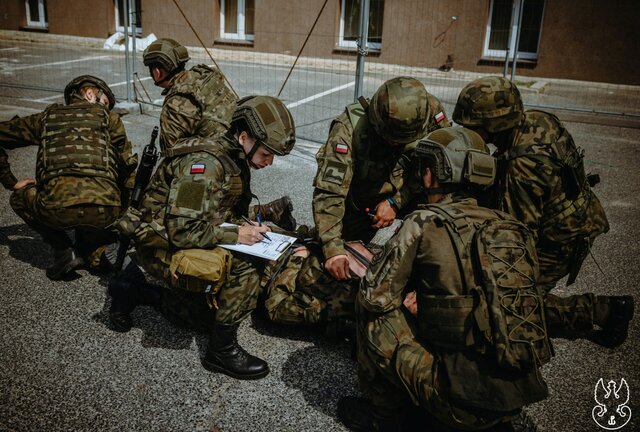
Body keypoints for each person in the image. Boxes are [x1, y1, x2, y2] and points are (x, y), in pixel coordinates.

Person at [338, 127, 634, 432]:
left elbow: (376, 296)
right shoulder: (508, 224)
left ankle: (383, 419)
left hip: (457, 403)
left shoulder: (423, 222)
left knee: (373, 313)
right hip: (512, 401)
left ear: (431, 174)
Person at [109, 95, 296, 380]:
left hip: (180, 232)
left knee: (199, 318)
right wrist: (236, 234)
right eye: (266, 154)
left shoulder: (232, 153)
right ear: (245, 137)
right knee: (247, 265)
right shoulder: (204, 167)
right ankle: (221, 352)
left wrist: (248, 226)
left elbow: (220, 208)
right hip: (159, 242)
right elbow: (182, 231)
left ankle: (133, 289)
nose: (269, 162)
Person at [452, 75, 633, 347]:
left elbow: (516, 237)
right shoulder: (537, 120)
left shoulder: (522, 166)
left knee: (506, 306)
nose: (471, 132)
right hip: (577, 216)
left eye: (475, 127)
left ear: (495, 124)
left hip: (562, 239)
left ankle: (605, 311)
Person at [262, 76, 450, 331]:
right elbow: (329, 194)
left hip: (414, 191)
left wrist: (397, 202)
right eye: (392, 141)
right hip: (363, 201)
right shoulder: (348, 130)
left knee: (442, 217)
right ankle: (279, 238)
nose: (397, 146)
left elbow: (441, 170)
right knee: (333, 260)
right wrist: (333, 248)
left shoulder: (429, 113)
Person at [143, 37, 296, 230]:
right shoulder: (205, 76)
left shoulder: (177, 101)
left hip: (216, 161)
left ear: (157, 71)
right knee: (221, 210)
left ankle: (261, 214)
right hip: (235, 148)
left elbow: (173, 155)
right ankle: (268, 211)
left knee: (198, 213)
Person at [0, 75, 138, 280]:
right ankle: (102, 253)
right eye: (105, 103)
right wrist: (121, 220)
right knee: (92, 240)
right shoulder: (111, 120)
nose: (106, 110)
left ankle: (64, 250)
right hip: (103, 211)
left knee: (19, 196)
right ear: (90, 94)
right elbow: (127, 173)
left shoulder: (46, 118)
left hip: (56, 209)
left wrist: (10, 181)